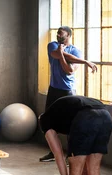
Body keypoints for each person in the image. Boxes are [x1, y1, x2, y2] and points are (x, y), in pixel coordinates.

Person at [40, 26, 98, 162]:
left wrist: (63, 57)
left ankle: (70, 154)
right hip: (54, 89)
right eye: (57, 34)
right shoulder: (52, 45)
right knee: (49, 120)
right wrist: (85, 62)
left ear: (69, 35)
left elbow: (69, 71)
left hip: (68, 90)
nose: (58, 36)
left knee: (71, 122)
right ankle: (53, 152)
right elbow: (57, 54)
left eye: (62, 35)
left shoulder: (76, 51)